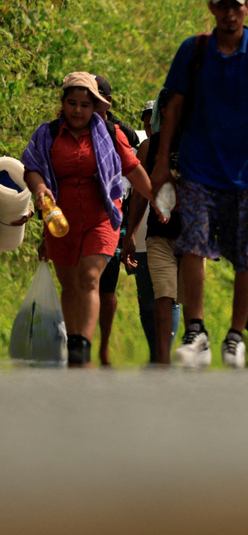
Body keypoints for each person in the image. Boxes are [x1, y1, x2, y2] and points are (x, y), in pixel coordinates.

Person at [149, 0, 248, 368]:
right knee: (192, 244)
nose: (230, 12)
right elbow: (172, 108)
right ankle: (197, 332)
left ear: (247, 8)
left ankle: (233, 337)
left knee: (247, 255)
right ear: (212, 7)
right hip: (198, 167)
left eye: (236, 5)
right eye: (222, 5)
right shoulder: (194, 51)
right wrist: (162, 163)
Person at [21, 72, 152, 366]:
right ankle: (74, 338)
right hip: (60, 219)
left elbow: (133, 168)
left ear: (94, 106)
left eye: (84, 104)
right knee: (69, 285)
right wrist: (40, 188)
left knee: (90, 278)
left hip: (100, 217)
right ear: (63, 103)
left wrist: (157, 199)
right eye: (72, 103)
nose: (77, 110)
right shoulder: (48, 134)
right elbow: (31, 166)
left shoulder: (110, 133)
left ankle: (82, 343)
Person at [122, 89, 185, 365]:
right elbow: (138, 192)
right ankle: (159, 357)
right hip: (156, 231)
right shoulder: (149, 147)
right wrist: (130, 234)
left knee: (173, 295)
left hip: (190, 232)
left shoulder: (199, 142)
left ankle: (164, 355)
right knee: (154, 295)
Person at [93, 74, 141, 366]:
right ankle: (81, 338)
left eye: (96, 101)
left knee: (106, 285)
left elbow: (135, 174)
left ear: (107, 103)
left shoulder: (119, 132)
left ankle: (104, 346)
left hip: (112, 216)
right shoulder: (68, 129)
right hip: (79, 213)